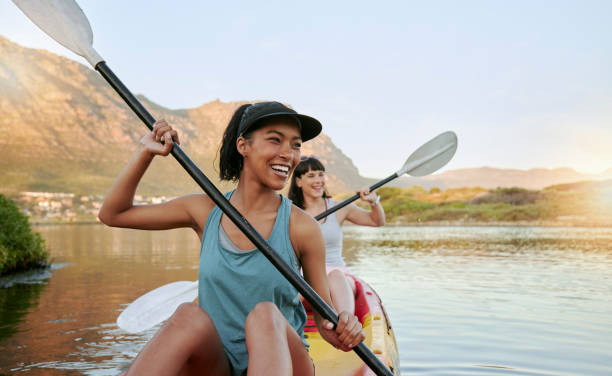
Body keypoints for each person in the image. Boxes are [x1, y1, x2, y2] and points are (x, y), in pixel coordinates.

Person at [99, 101, 365, 376]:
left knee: (265, 314)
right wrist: (146, 152)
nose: (288, 154)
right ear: (243, 146)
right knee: (187, 315)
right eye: (275, 140)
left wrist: (342, 327)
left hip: (287, 361)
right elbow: (114, 214)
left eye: (295, 145)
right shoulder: (204, 210)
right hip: (219, 364)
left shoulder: (302, 227)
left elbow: (324, 317)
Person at [287, 156, 385, 315]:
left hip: (338, 279)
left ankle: (346, 326)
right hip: (305, 281)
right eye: (311, 176)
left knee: (336, 277)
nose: (318, 180)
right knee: (298, 285)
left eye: (320, 174)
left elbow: (376, 221)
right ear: (298, 182)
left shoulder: (340, 207)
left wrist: (374, 202)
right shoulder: (289, 212)